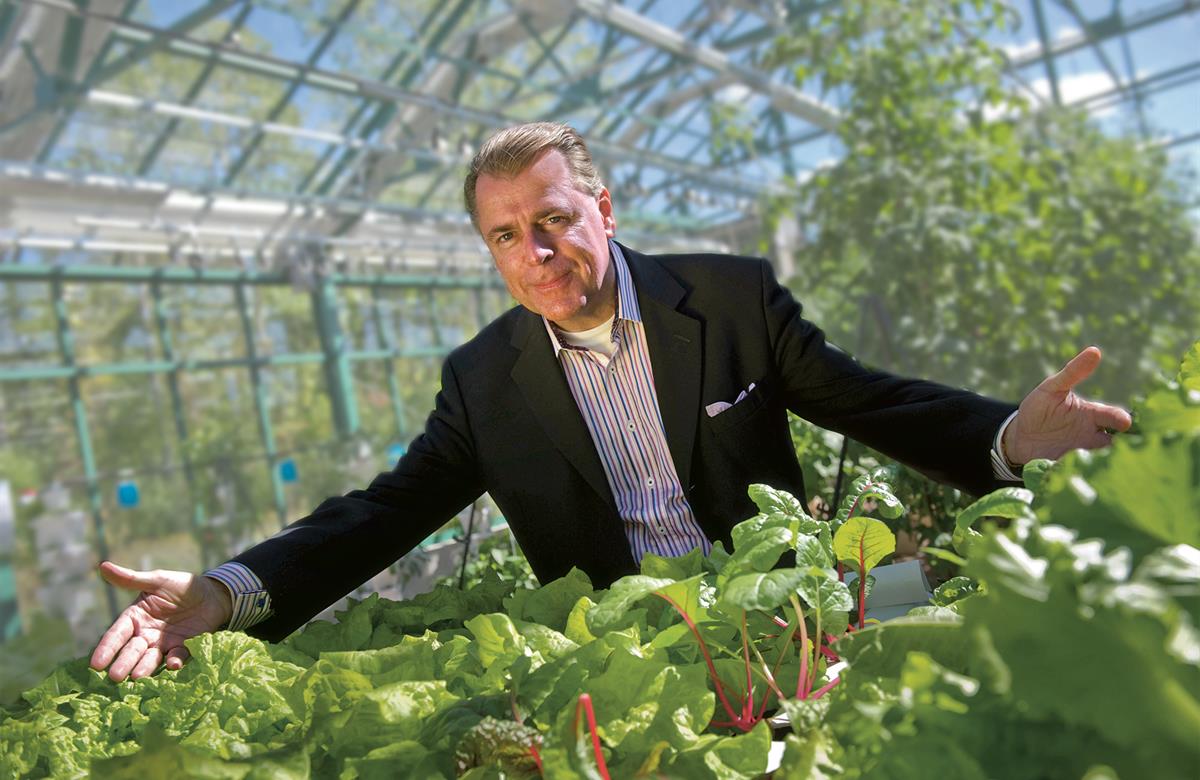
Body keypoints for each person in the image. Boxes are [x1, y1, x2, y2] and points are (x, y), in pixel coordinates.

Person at [90, 122, 1131, 682]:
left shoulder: (727, 302)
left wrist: (1006, 433)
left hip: (791, 617)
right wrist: (230, 590)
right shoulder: (484, 380)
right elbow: (383, 513)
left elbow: (864, 400)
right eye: (505, 236)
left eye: (552, 220)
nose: (535, 254)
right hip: (633, 656)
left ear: (604, 208)